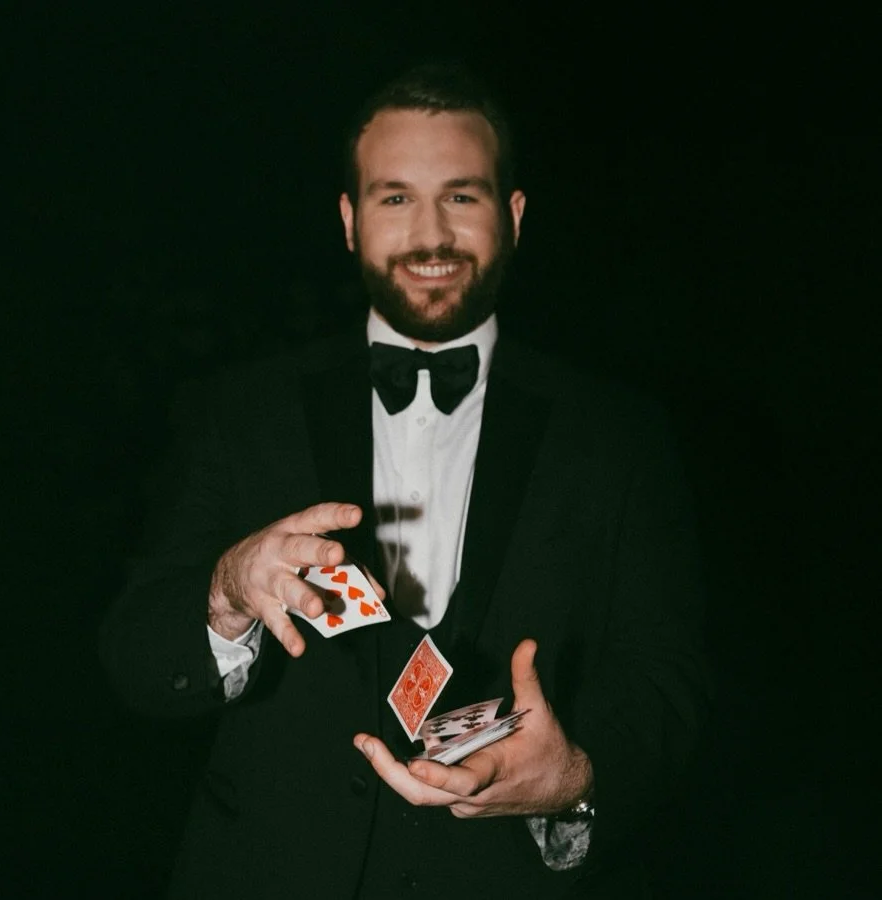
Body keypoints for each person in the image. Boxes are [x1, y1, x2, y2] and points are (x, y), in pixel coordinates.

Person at [101, 63, 708, 899]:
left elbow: (667, 682)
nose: (431, 235)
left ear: (514, 215)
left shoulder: (621, 435)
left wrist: (574, 777)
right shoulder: (235, 413)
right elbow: (135, 658)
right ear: (349, 220)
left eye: (461, 196)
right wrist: (224, 593)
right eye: (395, 197)